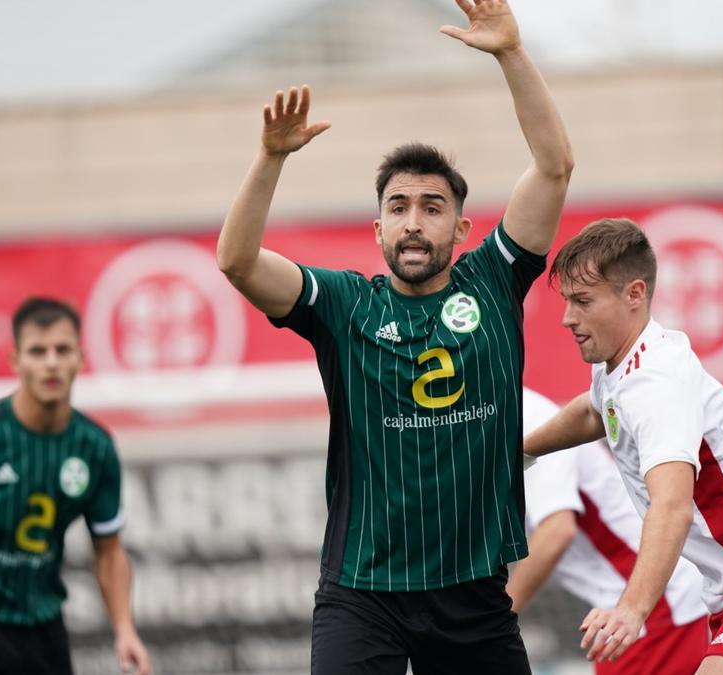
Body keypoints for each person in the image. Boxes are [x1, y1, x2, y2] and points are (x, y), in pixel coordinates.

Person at [214, 0, 573, 671]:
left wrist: (510, 54)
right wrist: (269, 157)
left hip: (473, 594)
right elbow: (236, 261)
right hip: (363, 593)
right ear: (377, 229)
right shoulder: (344, 304)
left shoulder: (492, 281)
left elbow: (554, 167)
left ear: (461, 229)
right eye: (398, 207)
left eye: (432, 207)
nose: (414, 222)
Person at [524, 219, 723, 675]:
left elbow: (672, 506)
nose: (567, 318)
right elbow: (592, 413)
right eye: (566, 302)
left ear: (634, 294)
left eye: (582, 302)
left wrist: (631, 609)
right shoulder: (620, 363)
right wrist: (520, 452)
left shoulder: (656, 383)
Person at [0, 297, 151, 675]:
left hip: (42, 634)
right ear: (16, 361)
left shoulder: (94, 447)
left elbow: (108, 549)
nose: (52, 362)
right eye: (38, 351)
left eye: (62, 350)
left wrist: (125, 630)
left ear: (80, 357)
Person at [511, 388, 709, 675]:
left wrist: (498, 617)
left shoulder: (527, 417)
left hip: (656, 603)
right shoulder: (477, 419)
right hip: (635, 607)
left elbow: (556, 532)